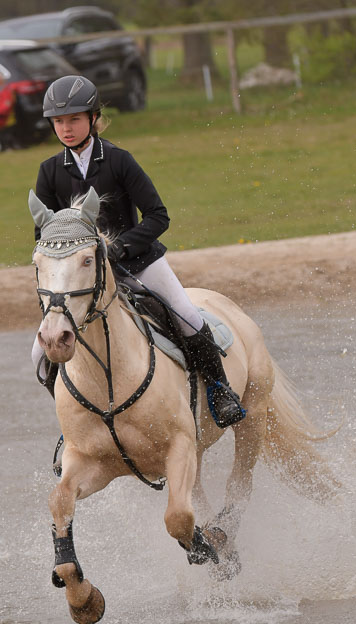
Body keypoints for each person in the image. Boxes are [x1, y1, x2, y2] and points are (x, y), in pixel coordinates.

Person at [32, 75, 245, 429]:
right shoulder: (50, 171)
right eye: (58, 122)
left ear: (93, 118)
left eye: (73, 120)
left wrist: (121, 248)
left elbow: (159, 216)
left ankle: (220, 391)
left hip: (138, 263)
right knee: (39, 354)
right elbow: (45, 235)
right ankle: (73, 424)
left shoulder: (119, 160)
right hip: (82, 276)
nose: (66, 129)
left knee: (187, 318)